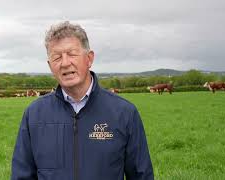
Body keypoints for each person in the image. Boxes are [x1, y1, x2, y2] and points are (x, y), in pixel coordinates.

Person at [11, 21, 153, 180]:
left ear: (89, 58)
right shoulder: (34, 114)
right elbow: (21, 176)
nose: (65, 63)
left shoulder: (124, 113)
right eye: (57, 57)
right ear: (50, 66)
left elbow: (141, 175)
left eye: (72, 54)